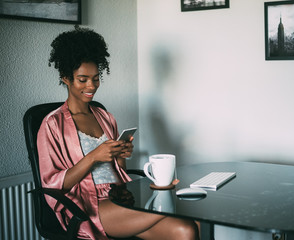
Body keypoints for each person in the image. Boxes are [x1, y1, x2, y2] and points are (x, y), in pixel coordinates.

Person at [38, 26, 200, 240]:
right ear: (66, 78)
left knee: (189, 228)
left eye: (96, 78)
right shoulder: (52, 124)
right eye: (83, 79)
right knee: (182, 209)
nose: (91, 86)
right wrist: (93, 157)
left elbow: (119, 172)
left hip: (120, 196)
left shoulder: (105, 117)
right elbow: (53, 184)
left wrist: (121, 154)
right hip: (88, 204)